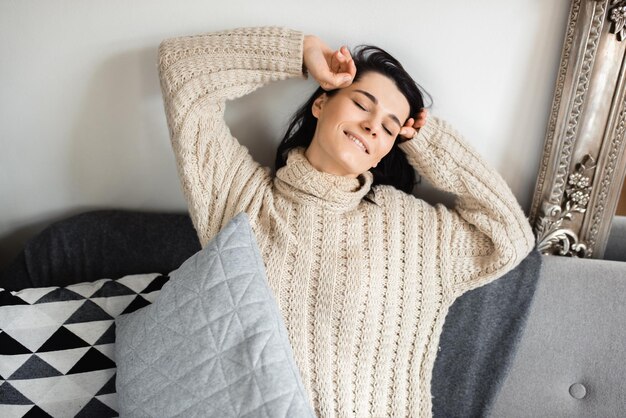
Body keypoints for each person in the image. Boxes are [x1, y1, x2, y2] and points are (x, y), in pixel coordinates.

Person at [157, 26, 535, 418]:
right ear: (321, 103)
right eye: (362, 104)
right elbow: (182, 71)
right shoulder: (242, 203)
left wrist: (427, 140)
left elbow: (509, 237)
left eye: (390, 127)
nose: (374, 124)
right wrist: (301, 54)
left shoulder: (413, 231)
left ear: (389, 148)